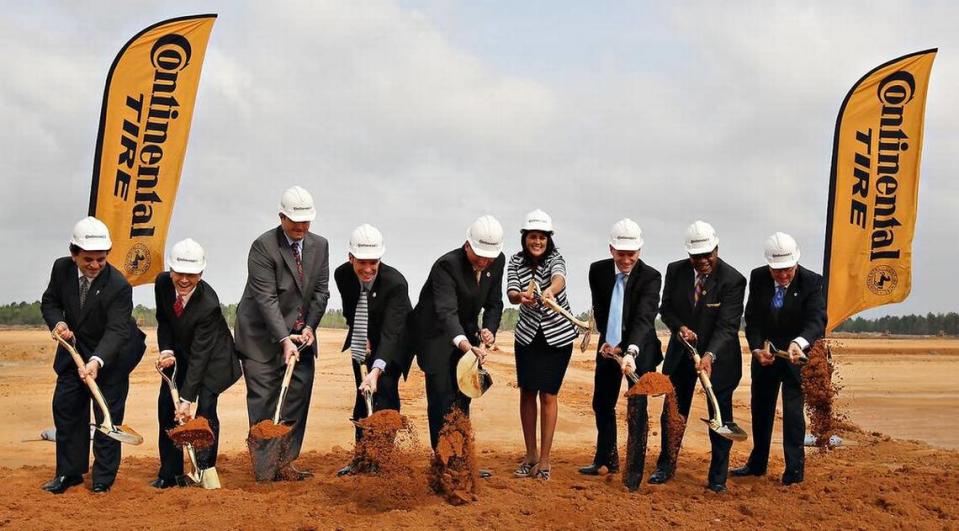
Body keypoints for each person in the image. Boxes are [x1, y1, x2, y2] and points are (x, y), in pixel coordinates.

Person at [39, 216, 146, 494]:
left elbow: (117, 330)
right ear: (73, 253)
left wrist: (97, 361)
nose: (95, 265)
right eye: (89, 259)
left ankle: (102, 479)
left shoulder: (118, 285)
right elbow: (50, 302)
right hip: (73, 351)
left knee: (107, 416)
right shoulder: (61, 269)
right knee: (67, 410)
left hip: (112, 355)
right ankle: (69, 473)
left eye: (101, 259)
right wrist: (58, 324)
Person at [234, 186, 330, 480]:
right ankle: (265, 470)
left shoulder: (320, 245)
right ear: (281, 217)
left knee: (296, 397)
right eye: (294, 222)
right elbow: (266, 298)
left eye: (306, 222)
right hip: (261, 336)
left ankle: (285, 463)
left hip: (300, 336)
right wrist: (283, 339)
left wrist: (310, 327)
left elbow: (320, 292)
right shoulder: (263, 247)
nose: (301, 227)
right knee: (264, 399)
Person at [650, 220, 746, 493]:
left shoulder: (733, 279)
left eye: (708, 254)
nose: (703, 261)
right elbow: (665, 308)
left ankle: (717, 477)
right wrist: (679, 327)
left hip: (719, 360)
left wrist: (709, 355)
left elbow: (728, 326)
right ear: (688, 254)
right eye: (697, 256)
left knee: (720, 416)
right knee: (673, 413)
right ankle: (665, 466)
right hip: (682, 355)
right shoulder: (675, 271)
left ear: (717, 249)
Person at [409, 215, 505, 475]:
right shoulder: (446, 266)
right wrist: (465, 345)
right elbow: (446, 312)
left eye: (489, 258)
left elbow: (495, 303)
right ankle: (443, 463)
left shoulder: (497, 262)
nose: (484, 262)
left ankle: (461, 460)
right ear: (467, 245)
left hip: (467, 334)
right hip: (436, 334)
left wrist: (489, 331)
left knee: (464, 396)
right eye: (478, 256)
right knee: (441, 398)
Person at [732, 232, 825, 486]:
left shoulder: (812, 282)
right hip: (766, 357)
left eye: (788, 270)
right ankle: (757, 464)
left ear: (796, 263)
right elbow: (752, 319)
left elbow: (816, 321)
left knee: (794, 415)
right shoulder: (758, 277)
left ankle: (794, 472)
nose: (783, 276)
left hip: (796, 358)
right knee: (761, 410)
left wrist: (799, 343)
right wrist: (756, 349)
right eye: (777, 271)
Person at [578, 218, 663, 493]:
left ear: (640, 251)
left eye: (632, 254)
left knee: (637, 409)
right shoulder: (598, 271)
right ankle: (606, 458)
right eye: (622, 253)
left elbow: (643, 317)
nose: (627, 260)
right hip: (609, 346)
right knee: (602, 402)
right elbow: (602, 308)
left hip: (640, 348)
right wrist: (607, 339)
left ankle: (634, 472)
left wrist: (630, 351)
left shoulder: (651, 277)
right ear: (611, 249)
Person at [153, 239, 242, 488]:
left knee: (204, 413)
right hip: (180, 353)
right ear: (171, 270)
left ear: (200, 274)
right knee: (166, 407)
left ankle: (204, 469)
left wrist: (187, 399)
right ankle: (169, 473)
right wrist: (167, 350)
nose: (184, 280)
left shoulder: (208, 305)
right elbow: (164, 320)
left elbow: (201, 356)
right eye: (179, 273)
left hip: (215, 359)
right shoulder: (162, 283)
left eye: (191, 275)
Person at [333, 224, 413, 476]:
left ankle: (383, 460)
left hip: (396, 341)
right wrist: (362, 335)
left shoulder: (396, 283)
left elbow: (391, 333)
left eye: (373, 263)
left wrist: (376, 371)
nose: (368, 269)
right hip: (363, 338)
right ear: (350, 258)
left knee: (385, 391)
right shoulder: (342, 274)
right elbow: (349, 308)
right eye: (362, 263)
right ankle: (362, 458)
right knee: (362, 394)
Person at [506, 210, 578, 481]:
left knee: (548, 395)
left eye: (542, 237)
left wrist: (551, 291)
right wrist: (520, 296)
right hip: (526, 337)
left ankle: (545, 460)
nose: (537, 242)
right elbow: (511, 291)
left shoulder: (556, 259)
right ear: (525, 238)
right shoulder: (515, 261)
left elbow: (560, 277)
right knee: (527, 392)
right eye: (532, 237)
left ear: (548, 239)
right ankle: (531, 455)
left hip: (557, 338)